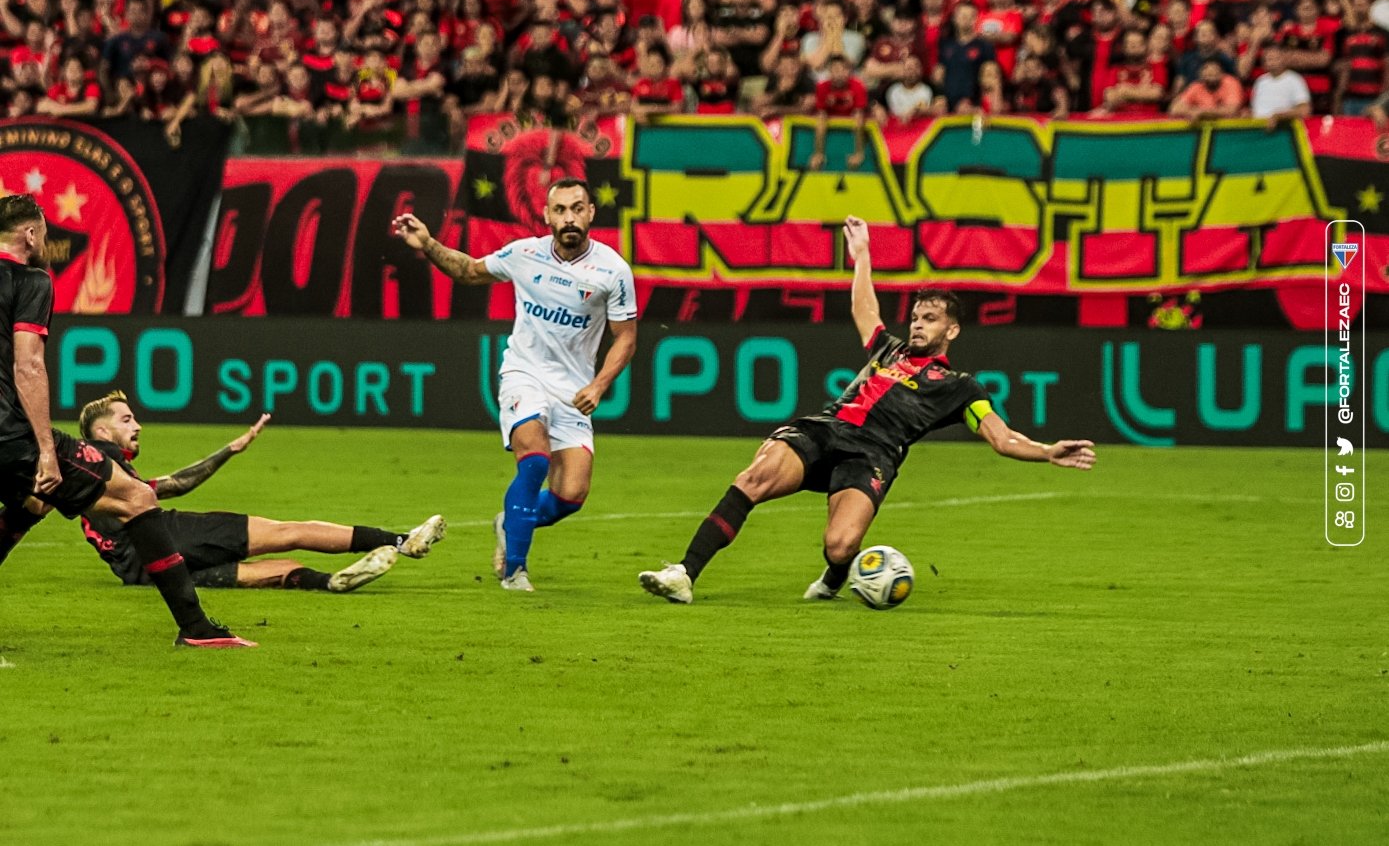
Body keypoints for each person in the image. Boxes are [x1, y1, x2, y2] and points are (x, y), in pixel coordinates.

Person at [639, 215, 1097, 605]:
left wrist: (1046, 451)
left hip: (872, 455)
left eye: (930, 319)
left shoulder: (961, 389)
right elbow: (865, 308)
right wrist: (863, 256)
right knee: (753, 477)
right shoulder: (889, 350)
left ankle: (833, 580)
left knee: (840, 546)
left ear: (952, 331)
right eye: (916, 317)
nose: (917, 324)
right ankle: (684, 574)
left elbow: (1001, 437)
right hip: (827, 429)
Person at [0, 195, 252, 647]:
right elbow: (28, 367)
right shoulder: (30, 280)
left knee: (32, 503)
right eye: (44, 232)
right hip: (9, 435)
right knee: (136, 497)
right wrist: (44, 450)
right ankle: (195, 629)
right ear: (31, 234)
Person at [394, 178, 637, 592]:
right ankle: (515, 571)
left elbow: (626, 337)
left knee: (570, 497)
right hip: (523, 373)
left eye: (578, 208)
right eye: (560, 210)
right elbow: (469, 272)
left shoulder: (613, 271)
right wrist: (429, 244)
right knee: (535, 458)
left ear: (592, 213)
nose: (569, 218)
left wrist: (598, 385)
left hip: (573, 389)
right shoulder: (525, 254)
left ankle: (510, 520)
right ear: (546, 215)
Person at [75, 391, 446, 591]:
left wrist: (228, 451)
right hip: (172, 536)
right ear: (103, 433)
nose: (137, 425)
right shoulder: (101, 457)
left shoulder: (100, 478)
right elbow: (173, 487)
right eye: (126, 420)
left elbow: (167, 486)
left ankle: (330, 583)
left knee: (276, 571)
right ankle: (401, 541)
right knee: (290, 532)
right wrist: (230, 450)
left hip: (148, 573)